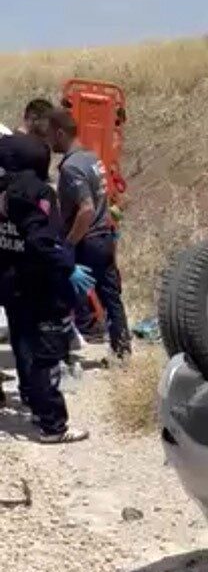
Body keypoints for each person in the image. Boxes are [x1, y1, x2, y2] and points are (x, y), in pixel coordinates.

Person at [0, 133, 92, 443]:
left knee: (24, 347)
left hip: (11, 283)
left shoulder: (4, 192)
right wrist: (68, 267)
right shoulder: (36, 193)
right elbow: (41, 240)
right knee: (47, 353)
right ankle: (53, 424)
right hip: (38, 285)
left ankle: (33, 401)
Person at [47, 108, 131, 359]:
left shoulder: (71, 168)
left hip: (87, 241)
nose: (50, 142)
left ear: (60, 133)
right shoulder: (93, 159)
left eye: (51, 135)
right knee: (110, 295)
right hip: (104, 236)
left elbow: (86, 209)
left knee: (60, 291)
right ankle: (122, 351)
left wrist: (69, 244)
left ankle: (61, 352)